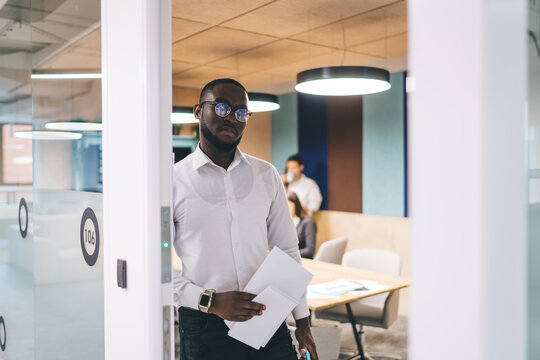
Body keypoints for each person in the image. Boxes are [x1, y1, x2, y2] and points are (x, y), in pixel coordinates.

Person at [173, 78, 318, 360]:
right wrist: (210, 301)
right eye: (222, 107)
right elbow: (155, 272)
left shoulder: (266, 175)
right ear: (198, 111)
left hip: (266, 313)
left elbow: (287, 251)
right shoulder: (172, 182)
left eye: (241, 112)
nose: (232, 118)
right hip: (204, 325)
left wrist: (302, 321)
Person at [287, 192, 316, 259]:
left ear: (296, 205)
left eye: (289, 206)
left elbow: (310, 250)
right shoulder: (284, 223)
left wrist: (288, 254)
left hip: (302, 261)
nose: (287, 210)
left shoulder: (307, 222)